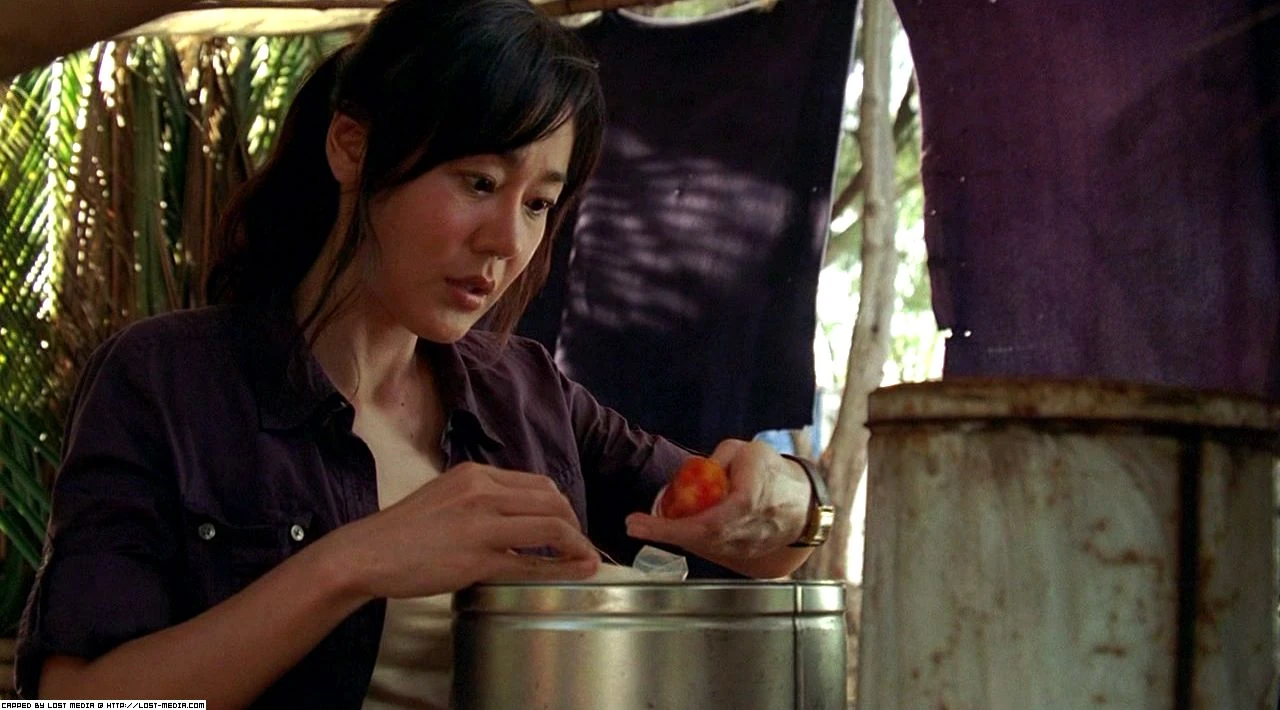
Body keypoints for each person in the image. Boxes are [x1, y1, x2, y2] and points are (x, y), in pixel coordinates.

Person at [14, 0, 826, 706]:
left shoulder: (527, 395)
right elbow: (78, 703)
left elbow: (749, 544)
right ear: (351, 147)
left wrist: (792, 500)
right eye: (479, 182)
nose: (506, 242)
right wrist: (353, 564)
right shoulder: (167, 384)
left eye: (538, 203)